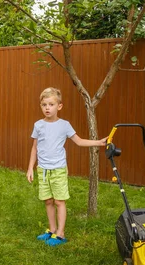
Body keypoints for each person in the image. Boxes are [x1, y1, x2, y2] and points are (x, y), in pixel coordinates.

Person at [27, 87, 107, 246]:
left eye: (51, 104)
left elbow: (78, 141)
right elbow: (34, 148)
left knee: (59, 201)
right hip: (43, 170)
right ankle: (52, 230)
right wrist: (30, 168)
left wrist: (98, 142)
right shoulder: (38, 125)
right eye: (44, 104)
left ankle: (61, 234)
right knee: (48, 201)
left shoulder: (64, 125)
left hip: (58, 169)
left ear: (59, 106)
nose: (47, 108)